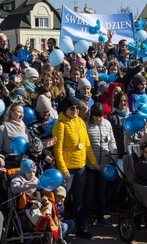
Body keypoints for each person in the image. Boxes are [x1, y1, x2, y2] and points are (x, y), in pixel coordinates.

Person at [52, 97, 99, 239]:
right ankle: (58, 231)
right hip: (67, 171)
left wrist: (94, 162)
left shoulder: (80, 122)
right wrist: (63, 169)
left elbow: (86, 145)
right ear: (65, 109)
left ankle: (80, 228)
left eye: (77, 108)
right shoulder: (60, 125)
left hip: (81, 168)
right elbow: (57, 150)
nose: (75, 111)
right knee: (62, 200)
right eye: (72, 108)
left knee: (79, 198)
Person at [84, 103, 117, 228]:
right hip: (91, 166)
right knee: (89, 192)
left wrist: (113, 155)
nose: (98, 118)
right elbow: (86, 146)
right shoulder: (86, 125)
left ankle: (100, 217)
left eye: (100, 116)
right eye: (96, 116)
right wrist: (93, 162)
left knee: (101, 193)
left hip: (105, 166)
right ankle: (87, 217)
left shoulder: (107, 124)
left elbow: (112, 141)